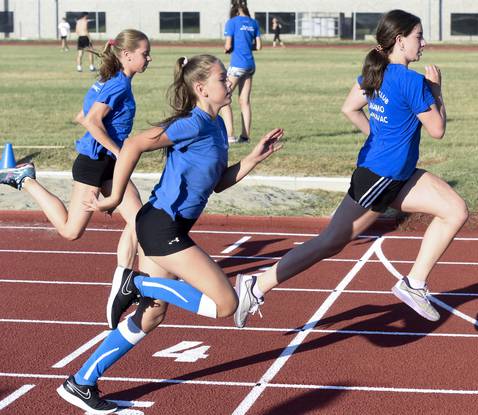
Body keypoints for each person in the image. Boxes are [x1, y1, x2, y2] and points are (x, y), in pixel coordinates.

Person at [55, 54, 283, 414]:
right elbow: (132, 145)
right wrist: (114, 196)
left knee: (151, 316)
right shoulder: (190, 123)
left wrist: (253, 159)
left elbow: (217, 184)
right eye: (222, 79)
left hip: (166, 226)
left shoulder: (217, 126)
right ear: (201, 88)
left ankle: (81, 381)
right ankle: (138, 284)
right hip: (161, 225)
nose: (229, 83)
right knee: (226, 303)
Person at [233, 9, 469, 328]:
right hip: (380, 178)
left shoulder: (376, 71)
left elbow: (350, 108)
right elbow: (438, 130)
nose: (423, 43)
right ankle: (256, 285)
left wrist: (380, 136)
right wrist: (437, 90)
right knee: (330, 242)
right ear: (400, 41)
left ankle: (414, 284)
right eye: (418, 37)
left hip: (396, 174)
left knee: (455, 210)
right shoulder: (414, 82)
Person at [0, 29, 151, 303]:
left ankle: (125, 279)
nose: (149, 58)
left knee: (138, 219)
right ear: (127, 55)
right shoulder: (117, 84)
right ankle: (25, 179)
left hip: (107, 163)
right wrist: (119, 150)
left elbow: (80, 115)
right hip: (94, 164)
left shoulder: (109, 80)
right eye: (145, 54)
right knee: (71, 231)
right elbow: (90, 120)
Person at [221, 1, 262, 144]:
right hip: (250, 65)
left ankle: (230, 136)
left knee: (223, 97)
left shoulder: (232, 22)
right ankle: (245, 137)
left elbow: (228, 45)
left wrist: (228, 49)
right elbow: (258, 46)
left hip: (237, 65)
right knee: (244, 101)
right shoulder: (254, 23)